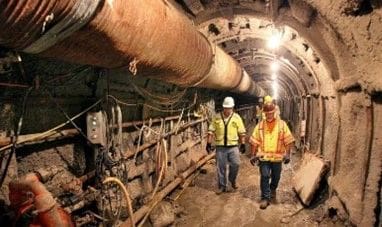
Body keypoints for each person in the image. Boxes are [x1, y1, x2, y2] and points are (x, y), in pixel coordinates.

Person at [249, 97, 295, 209]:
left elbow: (288, 140)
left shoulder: (282, 124)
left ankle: (272, 188)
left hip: (277, 158)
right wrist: (252, 155)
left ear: (274, 112)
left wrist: (287, 154)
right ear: (264, 113)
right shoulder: (260, 126)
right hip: (263, 157)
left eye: (271, 112)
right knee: (264, 176)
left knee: (276, 177)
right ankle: (265, 197)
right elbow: (254, 141)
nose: (269, 115)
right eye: (267, 113)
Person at [206, 97, 246, 194]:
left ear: (232, 107)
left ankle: (232, 180)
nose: (227, 110)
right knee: (221, 167)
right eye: (225, 107)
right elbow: (211, 131)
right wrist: (208, 143)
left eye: (229, 108)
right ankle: (222, 186)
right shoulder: (217, 117)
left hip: (233, 146)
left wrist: (243, 144)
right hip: (220, 147)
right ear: (223, 107)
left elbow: (241, 132)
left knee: (236, 164)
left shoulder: (237, 118)